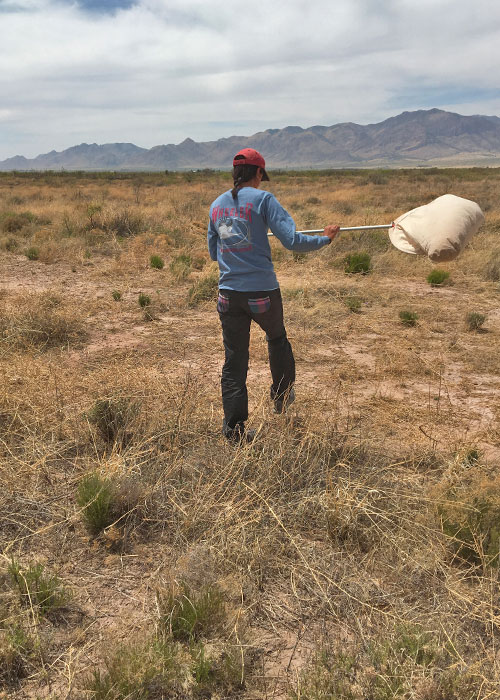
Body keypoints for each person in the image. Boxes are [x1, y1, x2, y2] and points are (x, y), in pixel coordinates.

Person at [207, 148, 340, 443]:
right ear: (258, 173)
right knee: (277, 339)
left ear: (234, 173)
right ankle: (280, 397)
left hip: (228, 295)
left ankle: (234, 431)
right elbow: (292, 241)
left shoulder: (216, 206)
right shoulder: (264, 200)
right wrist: (325, 239)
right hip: (262, 293)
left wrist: (238, 243)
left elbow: (214, 253)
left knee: (234, 361)